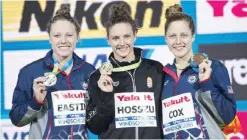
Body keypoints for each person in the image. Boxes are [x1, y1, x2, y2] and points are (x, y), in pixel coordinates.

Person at [9, 4, 95, 139]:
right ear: (49, 38)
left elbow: (95, 121)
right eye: (57, 35)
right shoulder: (30, 72)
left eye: (69, 35)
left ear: (77, 37)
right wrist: (36, 102)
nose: (63, 41)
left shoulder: (89, 72)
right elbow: (16, 119)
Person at [86, 2, 164, 139]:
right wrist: (106, 96)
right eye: (116, 38)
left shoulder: (155, 70)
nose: (122, 43)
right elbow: (94, 127)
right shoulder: (98, 77)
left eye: (127, 36)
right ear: (108, 40)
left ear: (135, 35)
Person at [161, 4, 238, 139]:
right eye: (172, 36)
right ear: (165, 39)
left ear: (193, 36)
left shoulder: (213, 67)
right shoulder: (163, 76)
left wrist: (207, 83)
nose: (178, 41)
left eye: (184, 35)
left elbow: (229, 120)